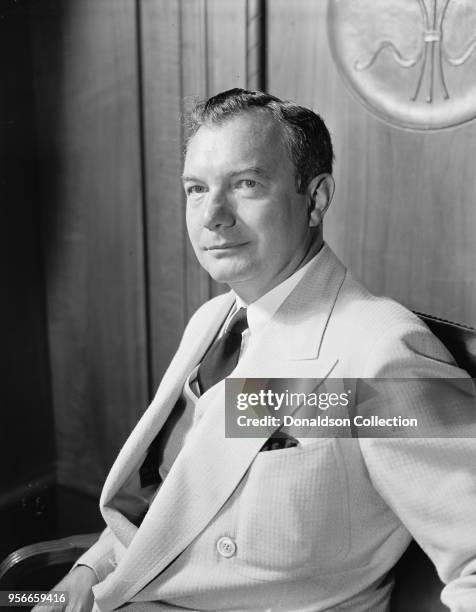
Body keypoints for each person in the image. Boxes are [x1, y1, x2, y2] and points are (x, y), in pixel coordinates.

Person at [36, 89, 476, 612]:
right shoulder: (215, 319)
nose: (213, 216)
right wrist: (90, 569)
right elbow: (173, 499)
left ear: (315, 199)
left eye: (246, 184)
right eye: (197, 189)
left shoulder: (384, 352)